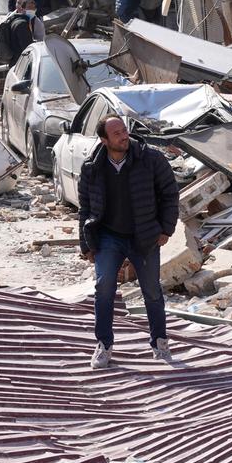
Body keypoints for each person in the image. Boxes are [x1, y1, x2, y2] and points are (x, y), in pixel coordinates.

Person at [78, 114, 179, 368]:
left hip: (143, 236)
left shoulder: (150, 159)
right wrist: (85, 244)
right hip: (108, 236)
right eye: (116, 134)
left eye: (124, 130)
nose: (124, 136)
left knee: (152, 291)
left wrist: (166, 229)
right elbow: (84, 208)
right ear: (104, 140)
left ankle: (160, 343)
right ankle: (104, 346)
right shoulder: (92, 167)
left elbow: (170, 194)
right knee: (103, 288)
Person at [0, 0, 44, 64]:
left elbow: (41, 39)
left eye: (33, 9)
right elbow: (27, 47)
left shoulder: (18, 19)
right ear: (23, 9)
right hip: (20, 61)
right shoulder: (22, 24)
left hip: (15, 60)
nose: (31, 11)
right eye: (29, 8)